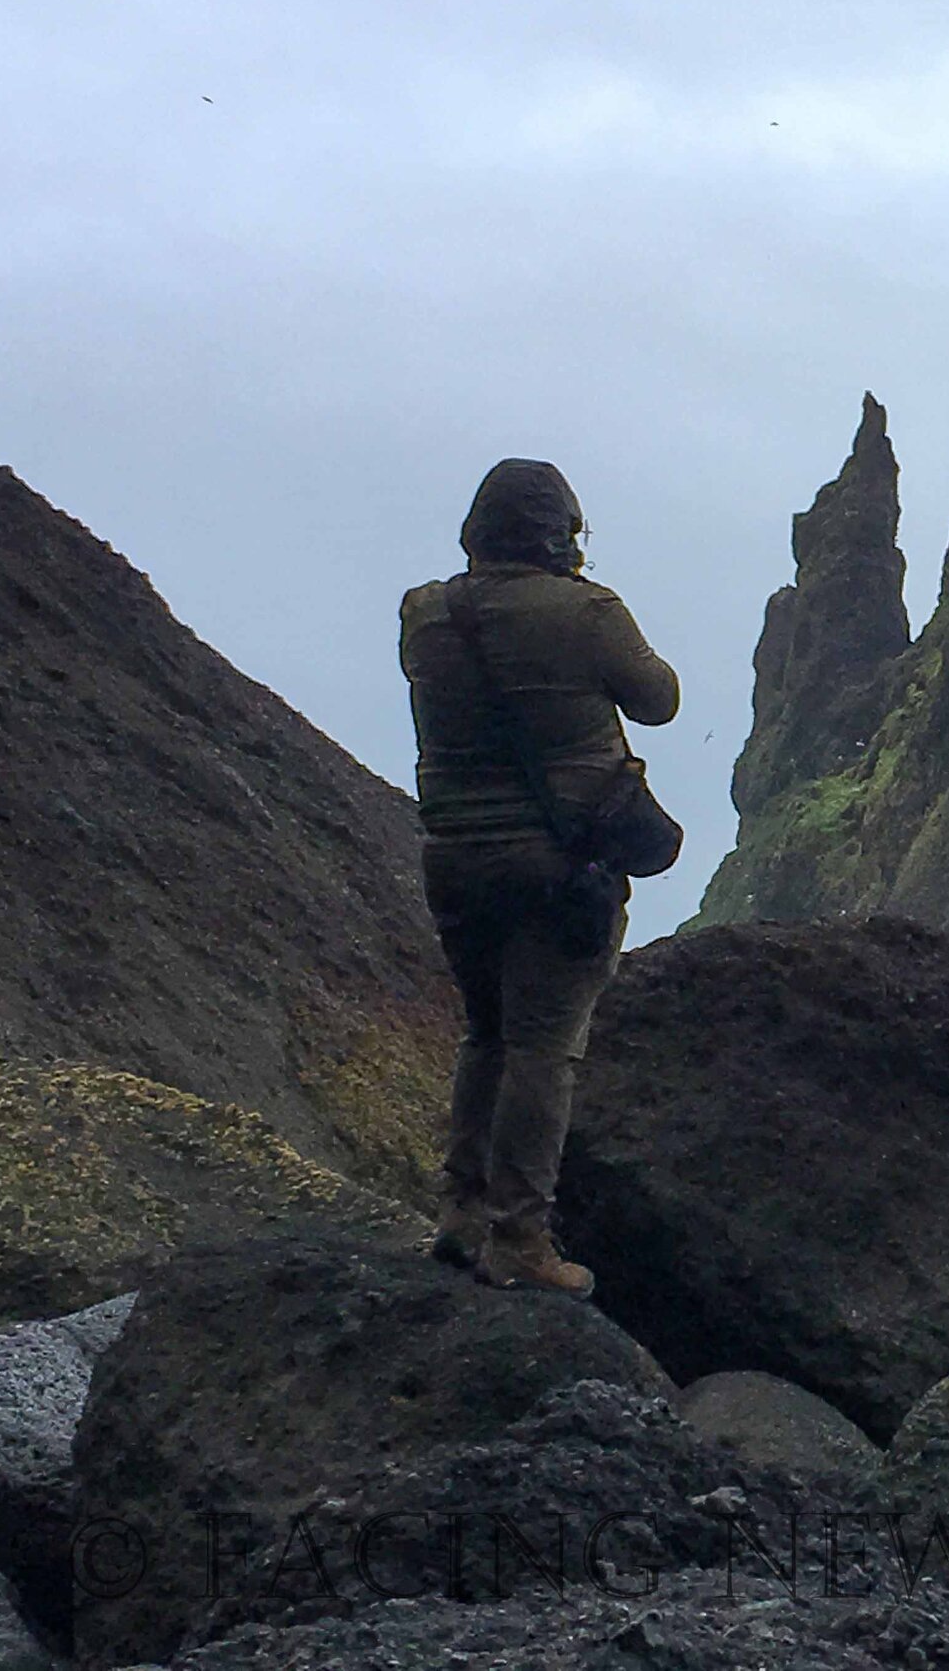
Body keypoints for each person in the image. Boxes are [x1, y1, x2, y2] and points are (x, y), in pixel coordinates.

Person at [398, 459, 679, 1297]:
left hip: (453, 860)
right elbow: (658, 697)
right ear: (561, 532)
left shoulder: (425, 614)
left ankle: (457, 1212)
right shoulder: (587, 612)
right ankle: (520, 1239)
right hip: (556, 866)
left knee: (484, 1033)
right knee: (543, 1049)